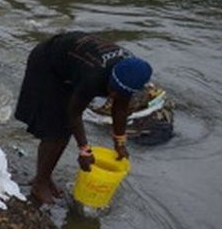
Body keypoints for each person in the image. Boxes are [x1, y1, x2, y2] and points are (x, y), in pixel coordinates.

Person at [14, 31, 153, 204]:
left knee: (62, 130)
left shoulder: (131, 75)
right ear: (111, 77)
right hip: (47, 63)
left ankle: (44, 176)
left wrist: (120, 142)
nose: (112, 94)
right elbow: (74, 113)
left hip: (71, 66)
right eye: (111, 89)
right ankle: (39, 183)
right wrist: (84, 149)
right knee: (55, 131)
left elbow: (121, 108)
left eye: (118, 93)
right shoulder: (94, 77)